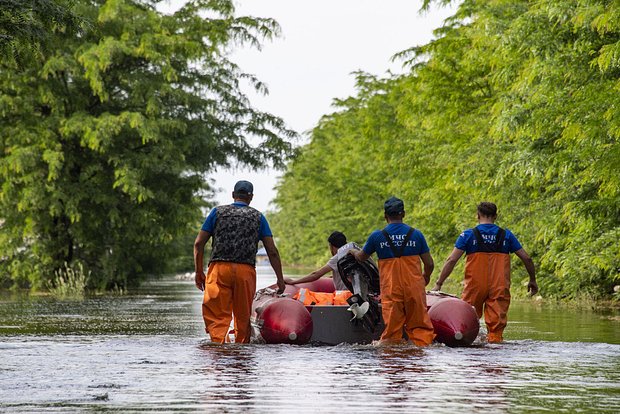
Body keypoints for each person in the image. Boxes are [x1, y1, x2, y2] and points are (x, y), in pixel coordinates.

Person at [431, 201, 538, 343]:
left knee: (466, 320)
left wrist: (439, 283)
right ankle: (495, 348)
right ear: (495, 216)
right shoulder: (506, 235)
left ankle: (467, 346)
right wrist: (532, 279)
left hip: (474, 287)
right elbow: (527, 258)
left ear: (477, 215)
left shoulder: (468, 235)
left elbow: (452, 260)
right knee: (496, 330)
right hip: (499, 287)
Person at [193, 180, 286, 344]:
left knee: (217, 316)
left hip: (219, 269)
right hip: (245, 270)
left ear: (233, 195)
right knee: (243, 317)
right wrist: (280, 279)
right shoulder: (258, 217)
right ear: (251, 197)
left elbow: (199, 244)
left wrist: (199, 271)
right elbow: (272, 251)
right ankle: (240, 355)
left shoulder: (217, 212)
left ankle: (218, 348)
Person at [349, 196, 435, 346]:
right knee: (420, 328)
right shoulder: (416, 234)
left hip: (391, 289)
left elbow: (362, 257)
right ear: (403, 214)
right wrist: (425, 277)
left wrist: (352, 252)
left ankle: (392, 363)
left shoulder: (377, 236)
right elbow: (429, 263)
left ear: (385, 216)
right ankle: (420, 360)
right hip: (414, 287)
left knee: (392, 334)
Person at [284, 231, 359, 290]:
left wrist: (293, 282)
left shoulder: (337, 258)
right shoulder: (355, 253)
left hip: (345, 297)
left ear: (331, 246)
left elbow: (315, 275)